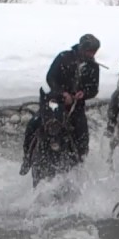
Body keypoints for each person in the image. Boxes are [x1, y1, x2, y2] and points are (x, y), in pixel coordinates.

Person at [22, 33, 100, 169]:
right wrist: (62, 93)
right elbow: (50, 77)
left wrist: (84, 94)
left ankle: (79, 166)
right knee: (33, 123)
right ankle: (27, 158)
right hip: (55, 103)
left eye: (94, 52)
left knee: (83, 135)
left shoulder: (93, 67)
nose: (92, 54)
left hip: (76, 107)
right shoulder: (63, 57)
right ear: (82, 48)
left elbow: (94, 89)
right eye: (90, 51)